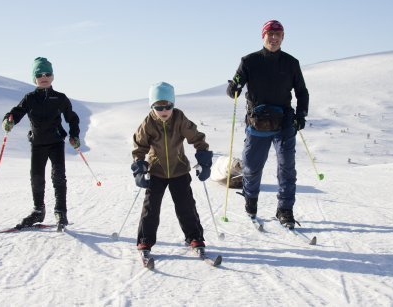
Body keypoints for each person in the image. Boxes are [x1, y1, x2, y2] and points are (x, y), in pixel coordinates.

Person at [226, 20, 309, 229]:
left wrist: (301, 115)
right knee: (252, 167)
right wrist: (233, 88)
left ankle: (285, 210)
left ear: (283, 37)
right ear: (263, 36)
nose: (273, 38)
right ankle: (251, 199)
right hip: (258, 122)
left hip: (285, 122)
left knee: (287, 167)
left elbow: (302, 92)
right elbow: (234, 87)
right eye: (270, 34)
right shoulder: (249, 61)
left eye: (278, 34)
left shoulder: (291, 63)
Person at [132, 82, 213, 252]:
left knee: (186, 206)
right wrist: (140, 169)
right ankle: (145, 240)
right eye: (158, 107)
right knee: (151, 208)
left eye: (168, 106)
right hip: (156, 171)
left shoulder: (179, 119)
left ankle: (195, 238)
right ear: (152, 106)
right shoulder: (148, 123)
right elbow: (139, 147)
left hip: (179, 170)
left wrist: (204, 162)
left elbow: (197, 139)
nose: (164, 111)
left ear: (173, 105)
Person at [2, 57, 81, 229]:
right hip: (37, 144)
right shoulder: (30, 98)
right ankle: (38, 211)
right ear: (34, 78)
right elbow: (16, 112)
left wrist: (74, 135)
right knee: (36, 178)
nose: (43, 77)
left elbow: (72, 118)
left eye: (47, 73)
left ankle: (61, 212)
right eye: (39, 74)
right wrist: (9, 121)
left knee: (58, 177)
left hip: (56, 143)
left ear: (52, 77)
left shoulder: (59, 98)